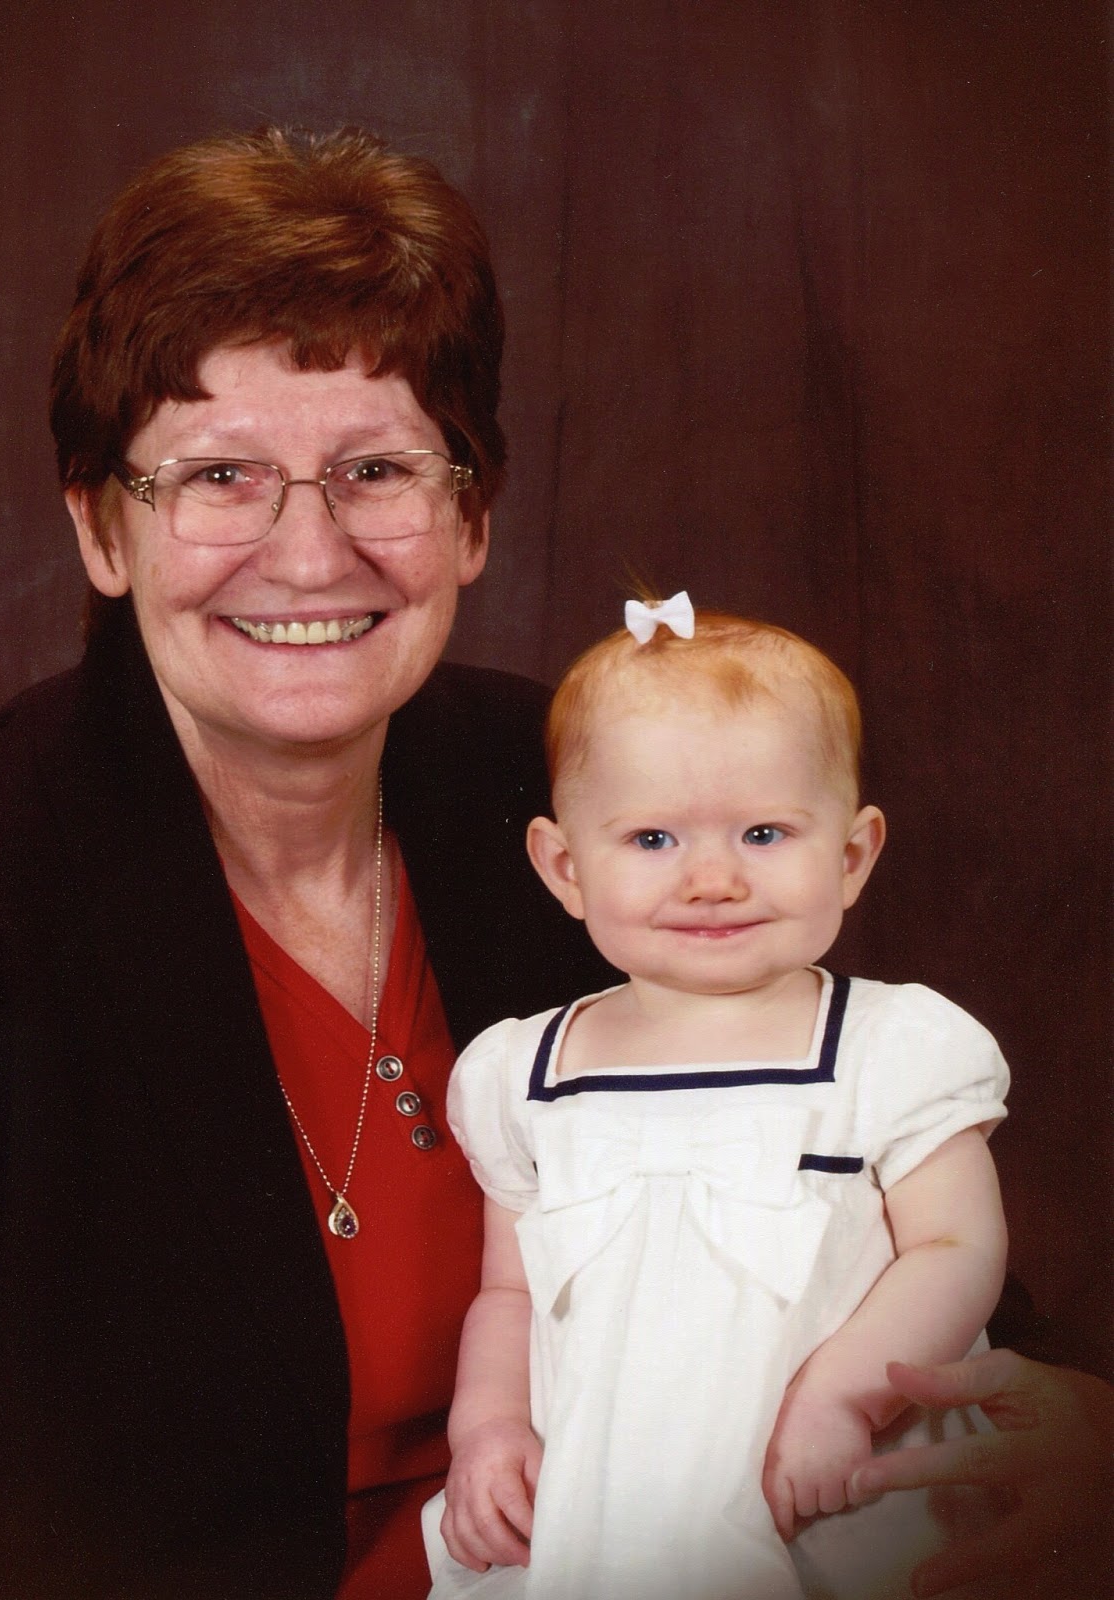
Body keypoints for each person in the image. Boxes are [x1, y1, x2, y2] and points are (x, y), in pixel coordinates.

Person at [0, 127, 1107, 1600]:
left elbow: (874, 1213)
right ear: (101, 530)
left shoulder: (579, 796)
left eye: (377, 470)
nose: (308, 554)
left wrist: (1078, 1431)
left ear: (473, 516)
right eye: (220, 475)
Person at [425, 597, 1012, 1599]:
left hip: (825, 1486)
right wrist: (487, 1428)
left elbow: (957, 1249)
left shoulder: (889, 1049)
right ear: (565, 868)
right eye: (652, 839)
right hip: (600, 1506)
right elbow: (510, 1292)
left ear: (852, 855)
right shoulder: (525, 1074)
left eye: (764, 833)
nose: (710, 879)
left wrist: (842, 1398)